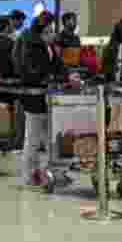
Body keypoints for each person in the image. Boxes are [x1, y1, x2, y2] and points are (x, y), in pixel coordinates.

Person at [20, 12, 74, 189]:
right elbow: (30, 72)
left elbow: (59, 66)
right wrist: (51, 77)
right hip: (34, 99)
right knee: (33, 138)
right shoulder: (30, 46)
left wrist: (67, 76)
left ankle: (53, 172)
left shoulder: (48, 46)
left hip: (48, 99)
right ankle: (29, 175)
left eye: (53, 30)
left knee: (52, 137)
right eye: (49, 30)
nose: (52, 33)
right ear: (41, 31)